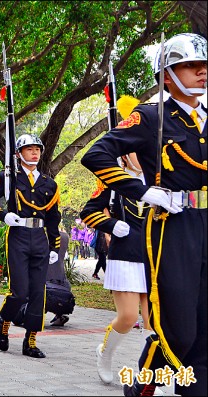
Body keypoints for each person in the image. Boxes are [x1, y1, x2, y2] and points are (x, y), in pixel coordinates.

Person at [81, 33, 206, 396]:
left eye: (204, 66)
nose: (201, 72)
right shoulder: (153, 118)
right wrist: (144, 191)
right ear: (167, 75)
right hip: (173, 227)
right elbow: (96, 154)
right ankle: (147, 378)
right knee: (179, 328)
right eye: (190, 66)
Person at [0, 133, 61, 359]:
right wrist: (3, 215)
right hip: (18, 235)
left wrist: (54, 247)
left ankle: (31, 340)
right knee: (20, 292)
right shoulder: (9, 179)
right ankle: (4, 320)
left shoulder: (49, 184)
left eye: (37, 149)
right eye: (29, 149)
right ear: (18, 154)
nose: (34, 153)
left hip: (40, 237)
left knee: (38, 291)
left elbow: (54, 217)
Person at [80, 152, 153, 386]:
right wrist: (111, 224)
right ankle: (105, 352)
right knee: (129, 316)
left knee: (154, 321)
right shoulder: (112, 182)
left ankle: (148, 378)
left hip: (154, 255)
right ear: (124, 156)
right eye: (136, 150)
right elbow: (88, 212)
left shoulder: (159, 180)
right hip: (125, 256)